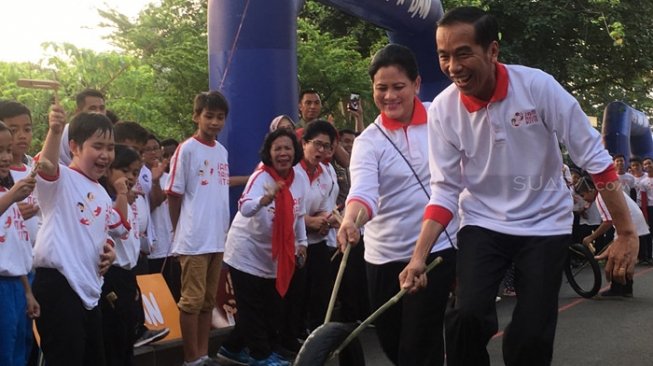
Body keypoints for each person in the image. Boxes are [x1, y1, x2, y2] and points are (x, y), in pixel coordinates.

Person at [399, 7, 638, 366]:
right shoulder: (444, 111)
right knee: (467, 318)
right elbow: (445, 190)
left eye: (463, 53)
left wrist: (626, 231)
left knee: (530, 334)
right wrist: (418, 257)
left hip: (545, 224)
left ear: (492, 51)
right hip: (483, 222)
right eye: (443, 56)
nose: (453, 66)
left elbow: (595, 160)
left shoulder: (537, 87)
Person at [337, 44, 458, 366]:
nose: (390, 96)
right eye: (381, 88)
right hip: (383, 256)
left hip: (437, 249)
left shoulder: (442, 117)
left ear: (416, 84)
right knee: (392, 343)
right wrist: (351, 220)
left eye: (398, 87)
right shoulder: (368, 142)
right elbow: (363, 192)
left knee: (418, 344)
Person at [32, 110, 127, 366]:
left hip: (89, 290)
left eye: (110, 147)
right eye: (97, 146)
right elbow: (46, 166)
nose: (105, 155)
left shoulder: (101, 192)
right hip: (59, 285)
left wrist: (110, 250)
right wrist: (54, 130)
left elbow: (101, 233)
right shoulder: (61, 179)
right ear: (74, 146)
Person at [217, 128, 308, 366]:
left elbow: (299, 215)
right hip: (246, 252)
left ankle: (232, 348)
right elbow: (245, 207)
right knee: (252, 308)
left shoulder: (299, 179)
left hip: (274, 257)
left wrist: (303, 243)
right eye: (277, 148)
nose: (283, 153)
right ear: (269, 152)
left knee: (270, 308)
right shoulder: (261, 177)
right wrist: (264, 200)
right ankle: (260, 355)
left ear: (295, 151)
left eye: (287, 148)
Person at [166, 91, 231, 366]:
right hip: (194, 239)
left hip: (217, 238)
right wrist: (177, 229)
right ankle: (190, 357)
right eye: (209, 116)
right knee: (191, 301)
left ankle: (203, 354)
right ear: (196, 116)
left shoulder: (222, 151)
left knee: (207, 301)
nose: (215, 122)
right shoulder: (187, 149)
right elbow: (174, 193)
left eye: (220, 117)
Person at [98, 144, 143, 366]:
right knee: (114, 333)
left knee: (129, 330)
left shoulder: (131, 199)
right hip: (111, 273)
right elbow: (120, 227)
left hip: (128, 273)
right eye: (124, 170)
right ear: (108, 170)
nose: (130, 177)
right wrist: (123, 195)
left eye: (135, 172)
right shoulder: (105, 198)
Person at [0, 120, 40, 366]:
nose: (5, 157)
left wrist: (27, 291)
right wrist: (13, 196)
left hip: (17, 284)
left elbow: (15, 248)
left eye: (6, 150)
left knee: (20, 352)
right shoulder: (10, 195)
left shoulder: (8, 192)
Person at [576, 175, 649, 297]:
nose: (585, 199)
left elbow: (607, 222)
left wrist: (591, 237)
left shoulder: (600, 198)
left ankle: (618, 288)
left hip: (629, 223)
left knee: (616, 254)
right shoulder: (605, 192)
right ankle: (625, 288)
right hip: (633, 219)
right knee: (622, 254)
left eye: (583, 195)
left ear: (591, 190)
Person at [59, 89, 107, 165]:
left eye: (101, 108)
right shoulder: (65, 132)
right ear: (78, 112)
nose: (99, 113)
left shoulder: (108, 134)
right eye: (92, 108)